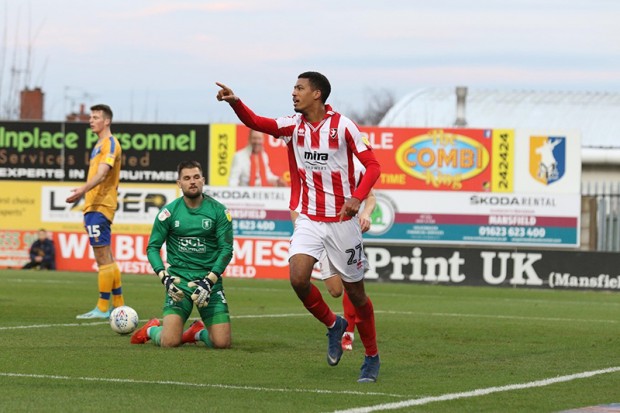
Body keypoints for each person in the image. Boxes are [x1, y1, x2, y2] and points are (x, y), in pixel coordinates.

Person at [216, 71, 382, 382]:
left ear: (317, 94)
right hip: (309, 218)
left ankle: (371, 356)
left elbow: (373, 166)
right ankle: (334, 324)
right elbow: (256, 122)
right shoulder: (292, 126)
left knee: (356, 294)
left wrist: (357, 198)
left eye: (299, 88)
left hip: (342, 222)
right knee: (298, 277)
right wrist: (235, 102)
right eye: (294, 87)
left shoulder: (344, 127)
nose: (293, 93)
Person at [130, 160, 234, 349]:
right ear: (179, 183)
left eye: (196, 177)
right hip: (180, 284)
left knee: (222, 343)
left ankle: (197, 333)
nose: (192, 181)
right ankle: (150, 330)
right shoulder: (169, 213)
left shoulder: (219, 211)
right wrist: (164, 277)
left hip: (209, 283)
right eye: (187, 178)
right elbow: (152, 247)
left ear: (203, 180)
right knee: (169, 342)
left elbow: (226, 249)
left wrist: (209, 281)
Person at [291, 161, 377, 352]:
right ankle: (337, 324)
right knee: (335, 290)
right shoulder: (311, 161)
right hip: (316, 229)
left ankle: (349, 334)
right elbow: (295, 204)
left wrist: (366, 214)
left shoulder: (356, 164)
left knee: (351, 285)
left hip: (343, 230)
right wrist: (302, 232)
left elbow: (371, 196)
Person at [66, 104, 125, 319]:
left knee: (102, 258)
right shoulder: (99, 144)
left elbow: (102, 174)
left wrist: (82, 190)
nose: (91, 120)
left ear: (106, 121)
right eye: (90, 117)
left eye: (96, 117)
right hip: (95, 206)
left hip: (100, 205)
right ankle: (119, 305)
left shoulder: (110, 144)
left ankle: (102, 307)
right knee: (107, 256)